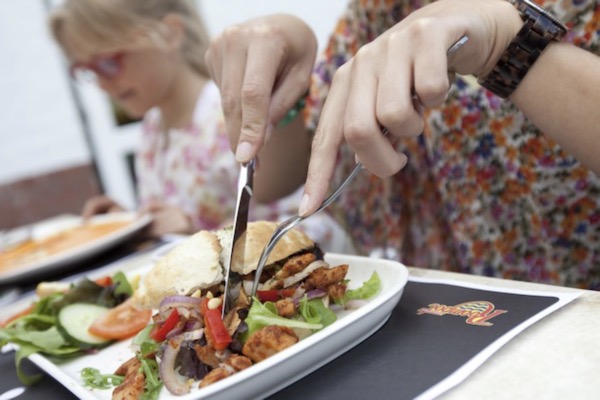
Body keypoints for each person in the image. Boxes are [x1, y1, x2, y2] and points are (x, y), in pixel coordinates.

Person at [205, 0, 600, 289]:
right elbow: (285, 175)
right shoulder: (380, 8)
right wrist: (281, 88)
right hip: (448, 319)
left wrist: (507, 44)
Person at [47, 0, 353, 253]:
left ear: (169, 34)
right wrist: (130, 223)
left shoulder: (230, 111)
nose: (101, 83)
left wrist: (195, 236)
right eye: (86, 70)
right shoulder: (153, 131)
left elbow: (309, 223)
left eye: (109, 62)